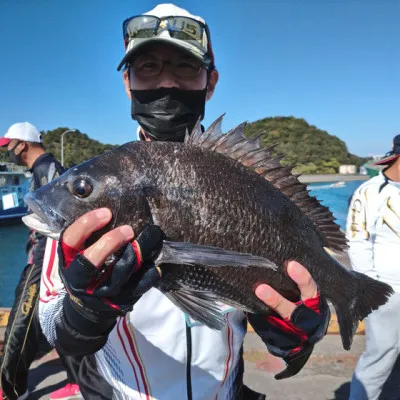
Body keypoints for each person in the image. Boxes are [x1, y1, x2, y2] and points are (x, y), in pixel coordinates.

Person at [38, 4, 330, 399]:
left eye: (186, 68)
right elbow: (52, 322)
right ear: (127, 81)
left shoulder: (244, 179)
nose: (168, 84)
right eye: (149, 68)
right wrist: (81, 313)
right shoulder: (94, 193)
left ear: (211, 82)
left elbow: (291, 283)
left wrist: (297, 331)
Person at [0, 122, 81, 400]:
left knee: (20, 319)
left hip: (44, 256)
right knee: (54, 317)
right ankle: (76, 378)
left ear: (21, 144)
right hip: (43, 256)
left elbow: (60, 220)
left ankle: (10, 388)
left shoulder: (48, 171)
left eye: (8, 145)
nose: (7, 151)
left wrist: (44, 262)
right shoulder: (42, 170)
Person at [347, 134, 400, 400]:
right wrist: (372, 286)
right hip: (386, 291)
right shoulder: (368, 191)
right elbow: (357, 240)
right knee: (380, 356)